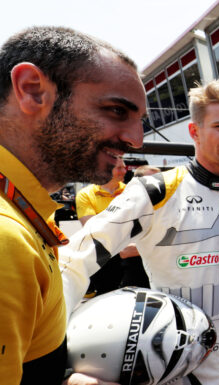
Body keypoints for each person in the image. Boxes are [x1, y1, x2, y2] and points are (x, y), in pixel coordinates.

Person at [60, 80, 219, 385]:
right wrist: (58, 358)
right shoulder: (156, 192)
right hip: (180, 363)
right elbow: (74, 259)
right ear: (195, 131)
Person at [0, 26, 145, 385]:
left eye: (139, 120)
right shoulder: (7, 239)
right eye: (116, 110)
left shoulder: (21, 217)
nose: (136, 140)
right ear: (32, 90)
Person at [75, 157, 132, 296]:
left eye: (124, 167)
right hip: (105, 256)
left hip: (131, 255)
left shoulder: (131, 191)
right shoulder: (86, 194)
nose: (124, 171)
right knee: (106, 296)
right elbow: (93, 228)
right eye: (119, 168)